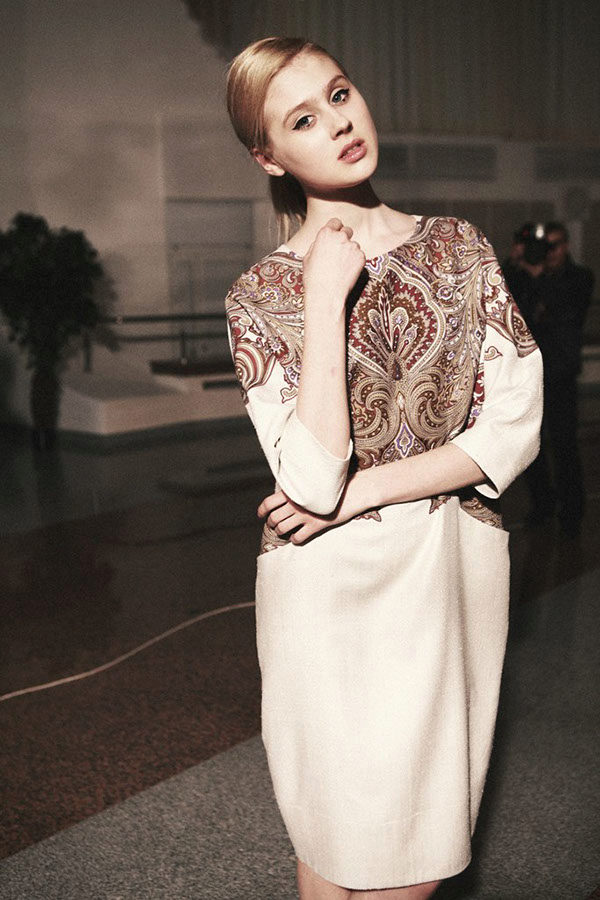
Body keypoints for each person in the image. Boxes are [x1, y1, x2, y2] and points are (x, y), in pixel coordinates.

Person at [224, 37, 543, 899]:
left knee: (421, 850)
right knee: (329, 837)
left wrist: (365, 488)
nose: (337, 122)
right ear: (268, 157)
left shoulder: (460, 248)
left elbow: (513, 426)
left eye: (338, 94)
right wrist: (322, 295)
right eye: (301, 119)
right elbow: (310, 479)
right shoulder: (257, 295)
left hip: (442, 573)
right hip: (323, 590)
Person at [504, 222, 594, 535]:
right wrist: (514, 263)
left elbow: (564, 309)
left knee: (565, 446)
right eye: (544, 247)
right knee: (531, 447)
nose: (548, 253)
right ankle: (542, 504)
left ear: (566, 245)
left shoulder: (579, 278)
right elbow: (506, 307)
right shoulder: (522, 275)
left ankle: (572, 512)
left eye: (553, 246)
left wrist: (538, 275)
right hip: (527, 377)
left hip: (560, 375)